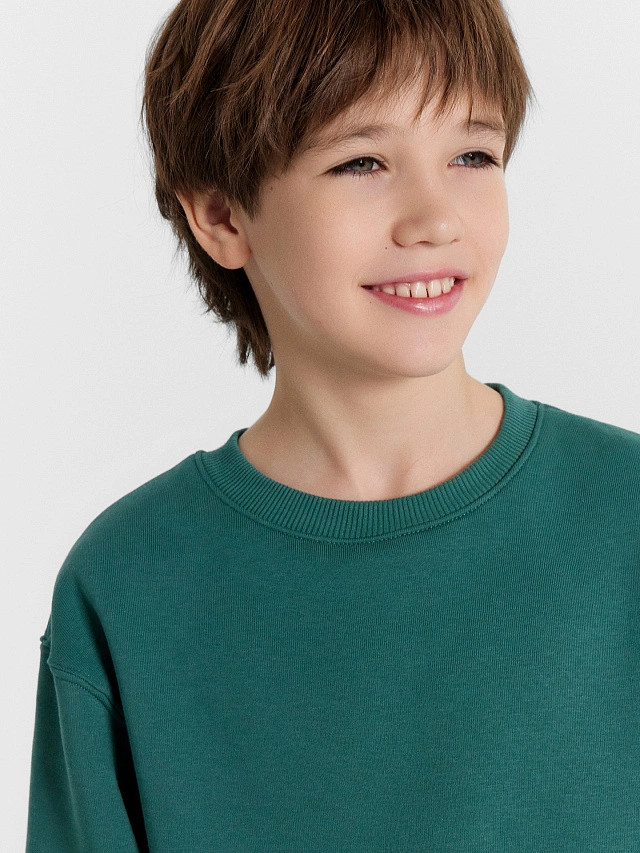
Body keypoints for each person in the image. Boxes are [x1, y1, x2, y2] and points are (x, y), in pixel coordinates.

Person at [26, 0, 640, 849]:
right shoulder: (128, 588)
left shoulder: (624, 518)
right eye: (362, 162)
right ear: (222, 215)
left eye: (472, 154)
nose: (435, 218)